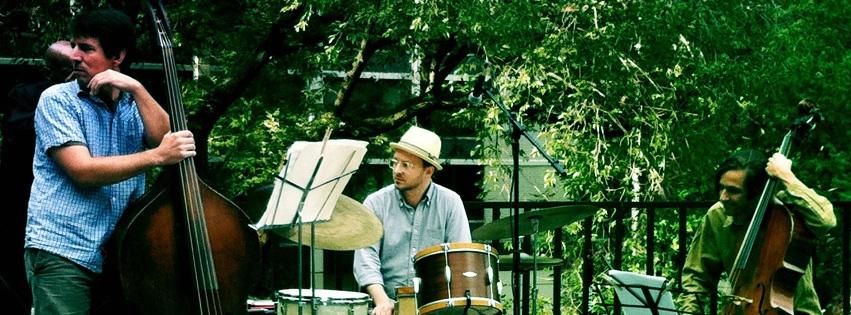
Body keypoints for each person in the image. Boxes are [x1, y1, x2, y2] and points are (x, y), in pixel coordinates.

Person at [23, 8, 195, 315]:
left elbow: (168, 139)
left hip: (121, 253)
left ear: (117, 57)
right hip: (63, 249)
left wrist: (138, 88)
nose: (75, 56)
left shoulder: (133, 102)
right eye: (75, 46)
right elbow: (83, 171)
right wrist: (157, 157)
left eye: (87, 48)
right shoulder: (56, 100)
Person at [680, 149, 836, 314]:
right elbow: (696, 278)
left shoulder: (789, 212)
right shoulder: (717, 216)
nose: (722, 197)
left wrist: (786, 176)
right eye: (721, 188)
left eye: (733, 191)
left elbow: (826, 220)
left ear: (756, 194)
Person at [353, 126, 471, 315]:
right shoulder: (376, 202)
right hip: (385, 304)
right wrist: (383, 302)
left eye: (406, 165)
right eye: (395, 162)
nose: (397, 170)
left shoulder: (450, 202)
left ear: (428, 171)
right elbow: (366, 260)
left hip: (434, 306)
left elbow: (460, 259)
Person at [0, 40, 73, 315]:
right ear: (51, 70)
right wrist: (55, 101)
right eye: (68, 67)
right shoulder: (27, 94)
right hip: (23, 187)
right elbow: (15, 128)